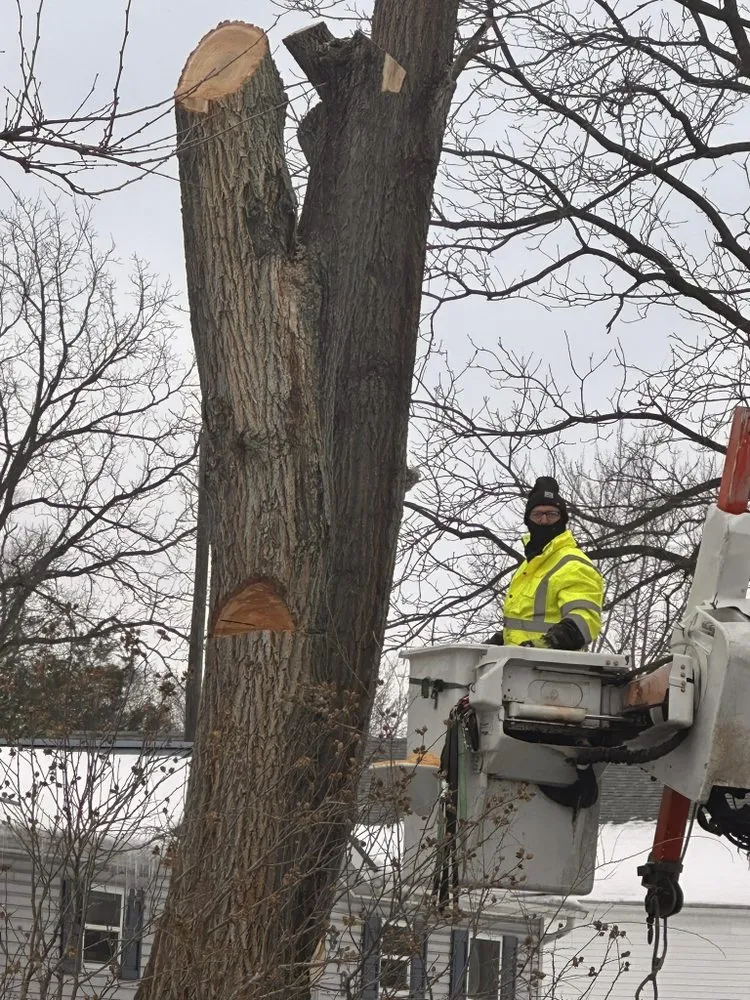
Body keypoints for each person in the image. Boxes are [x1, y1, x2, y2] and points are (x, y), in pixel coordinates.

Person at [488, 476, 603, 650]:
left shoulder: (573, 563)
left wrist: (548, 643)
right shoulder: (527, 567)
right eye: (537, 515)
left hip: (551, 669)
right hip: (516, 666)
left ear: (562, 519)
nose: (543, 521)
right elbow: (523, 623)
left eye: (551, 514)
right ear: (528, 521)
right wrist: (500, 640)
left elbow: (584, 620)